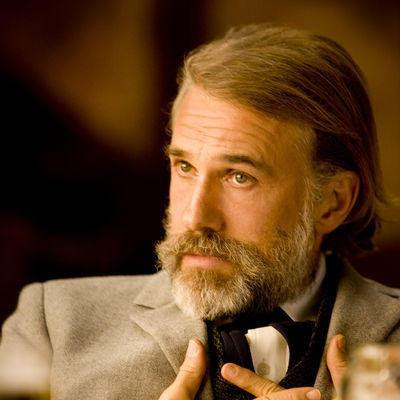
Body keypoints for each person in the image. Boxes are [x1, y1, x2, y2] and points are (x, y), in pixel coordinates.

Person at [0, 23, 399, 400]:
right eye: (185, 167)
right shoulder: (51, 322)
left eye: (239, 177)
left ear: (332, 202)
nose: (195, 217)